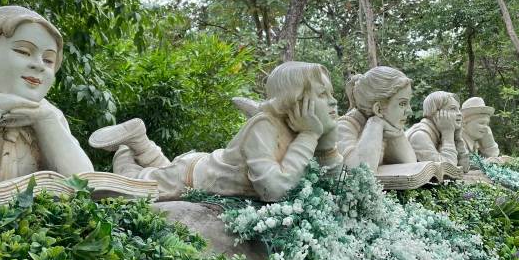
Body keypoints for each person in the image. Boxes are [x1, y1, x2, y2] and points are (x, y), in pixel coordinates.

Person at [89, 61, 343, 202]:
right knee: (130, 183)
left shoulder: (300, 128)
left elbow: (332, 183)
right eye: (322, 94)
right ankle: (125, 148)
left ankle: (141, 141)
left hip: (202, 166)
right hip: (191, 177)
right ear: (296, 102)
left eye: (331, 93)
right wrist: (309, 136)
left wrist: (326, 139)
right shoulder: (264, 127)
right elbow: (274, 190)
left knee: (159, 168)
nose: (333, 101)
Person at [0, 6, 93, 184]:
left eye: (48, 60)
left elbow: (85, 186)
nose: (39, 65)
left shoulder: (49, 114)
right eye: (23, 52)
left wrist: (47, 122)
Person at [337, 66, 417, 172]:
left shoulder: (389, 125)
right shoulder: (344, 126)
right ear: (379, 109)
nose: (409, 110)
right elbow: (359, 172)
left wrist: (397, 134)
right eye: (402, 103)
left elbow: (411, 167)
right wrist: (375, 124)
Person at [406, 91, 469, 171]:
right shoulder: (420, 135)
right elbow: (447, 170)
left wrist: (457, 138)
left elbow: (464, 168)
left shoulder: (440, 131)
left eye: (458, 109)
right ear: (436, 113)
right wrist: (448, 134)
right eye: (452, 109)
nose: (460, 114)